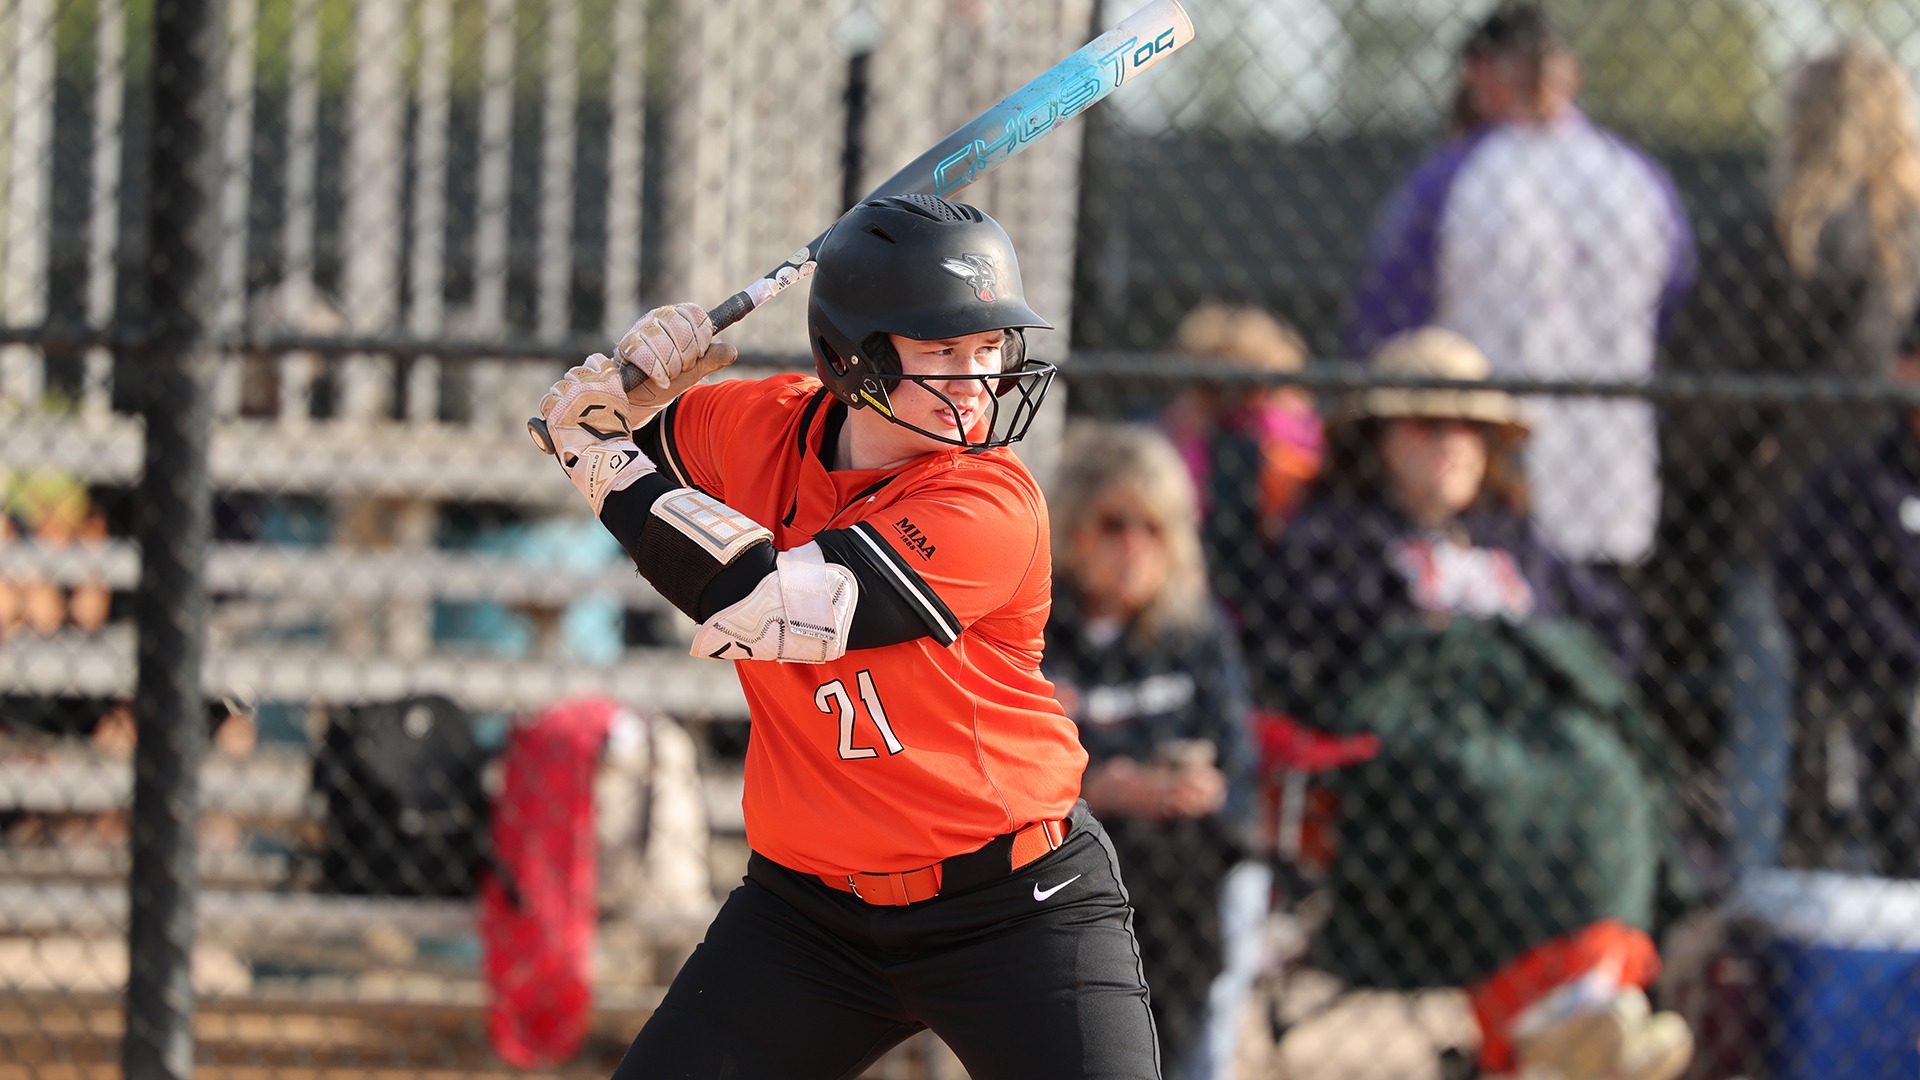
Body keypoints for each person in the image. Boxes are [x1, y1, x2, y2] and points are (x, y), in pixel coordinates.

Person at [535, 193, 1160, 1079]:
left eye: (990, 348)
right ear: (855, 357)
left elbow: (761, 604)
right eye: (943, 351)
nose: (978, 382)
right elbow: (604, 446)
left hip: (1013, 905)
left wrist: (600, 451)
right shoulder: (755, 426)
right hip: (807, 918)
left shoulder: (991, 501)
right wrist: (638, 392)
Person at [1247, 328, 1689, 1080]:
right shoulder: (1339, 537)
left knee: (1608, 772)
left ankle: (1577, 1013)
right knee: (1495, 787)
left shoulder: (1514, 538)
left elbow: (1610, 633)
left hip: (1541, 736)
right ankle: (1559, 1025)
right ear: (1378, 440)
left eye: (1473, 429)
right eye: (1429, 425)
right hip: (1415, 751)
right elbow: (1319, 656)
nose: (1453, 444)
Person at [1654, 39, 1920, 875]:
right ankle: (1884, 919)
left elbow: (1702, 407)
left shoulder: (1775, 235)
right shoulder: (1908, 241)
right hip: (1900, 528)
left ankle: (1759, 913)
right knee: (1887, 728)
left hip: (1779, 526)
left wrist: (1708, 475)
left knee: (1763, 729)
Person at [1348, 3, 1694, 570]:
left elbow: (1387, 329)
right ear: (1568, 73)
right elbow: (1677, 317)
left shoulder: (1455, 178)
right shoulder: (1637, 181)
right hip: (1614, 475)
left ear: (1480, 74)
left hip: (1482, 481)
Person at [1042, 421, 1258, 1080]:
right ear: (1075, 528)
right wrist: (1101, 787)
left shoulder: (1195, 630)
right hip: (1074, 843)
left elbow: (1235, 759)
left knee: (1219, 889)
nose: (1134, 546)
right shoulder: (1037, 628)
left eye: (1154, 527)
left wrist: (1199, 788)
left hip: (1185, 855)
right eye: (1114, 523)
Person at [1771, 318, 1920, 880]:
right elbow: (1832, 589)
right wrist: (1909, 659)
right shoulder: (1858, 483)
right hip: (1890, 696)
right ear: (1904, 371)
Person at [1161, 303, 1323, 610]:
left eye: (1252, 389)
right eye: (1218, 390)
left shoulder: (1288, 438)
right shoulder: (1186, 438)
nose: (1236, 403)